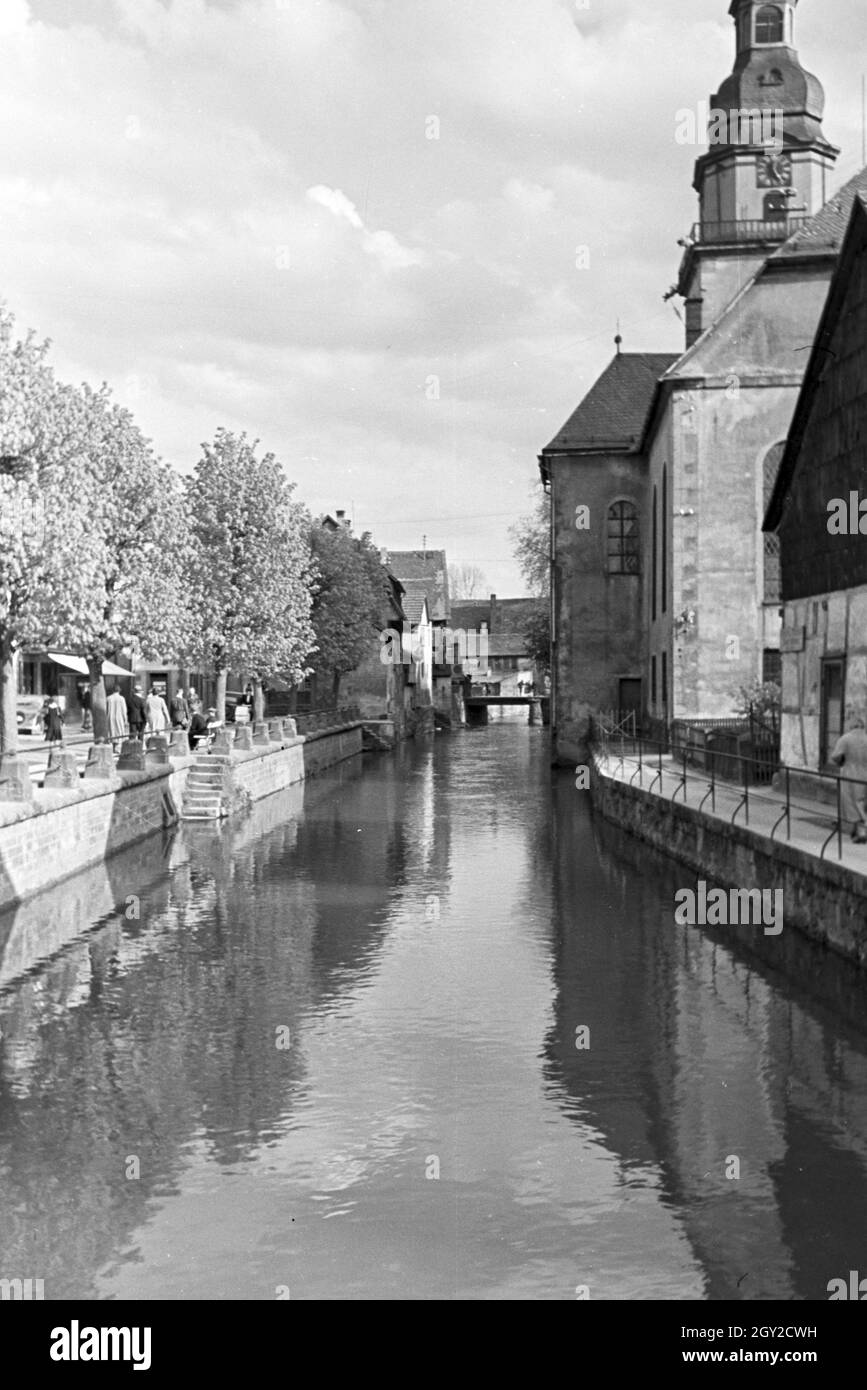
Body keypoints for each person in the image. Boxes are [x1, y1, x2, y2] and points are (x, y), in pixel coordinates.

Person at [830, 715, 867, 844]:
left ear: (851, 726)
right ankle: (857, 830)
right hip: (865, 773)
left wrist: (842, 762)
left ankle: (861, 831)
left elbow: (835, 756)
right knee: (862, 801)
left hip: (850, 773)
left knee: (852, 802)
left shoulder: (845, 739)